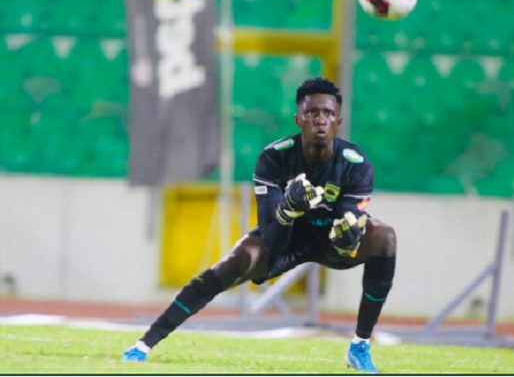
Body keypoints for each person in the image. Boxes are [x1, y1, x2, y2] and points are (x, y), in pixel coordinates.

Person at [122, 77, 397, 373]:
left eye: (328, 113)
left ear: (338, 121)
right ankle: (144, 343)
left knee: (385, 237)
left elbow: (344, 242)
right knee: (234, 262)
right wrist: (288, 211)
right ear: (298, 119)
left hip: (328, 241)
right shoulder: (273, 158)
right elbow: (272, 241)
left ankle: (359, 346)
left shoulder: (356, 163)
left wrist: (348, 240)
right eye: (312, 112)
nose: (321, 119)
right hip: (284, 236)